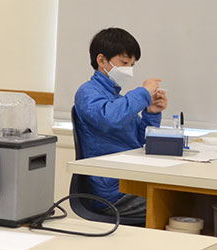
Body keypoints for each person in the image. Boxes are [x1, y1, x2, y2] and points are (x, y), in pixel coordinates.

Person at [72, 27, 169, 219]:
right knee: (177, 207)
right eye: (124, 63)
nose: (129, 70)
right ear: (101, 60)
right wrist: (142, 93)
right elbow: (109, 120)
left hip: (130, 179)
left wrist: (151, 113)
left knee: (182, 200)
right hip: (112, 191)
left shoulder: (118, 99)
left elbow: (141, 141)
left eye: (131, 65)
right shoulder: (88, 93)